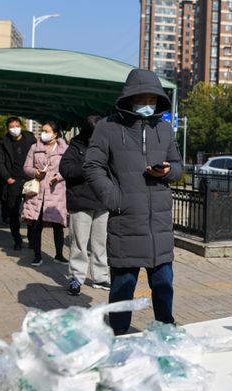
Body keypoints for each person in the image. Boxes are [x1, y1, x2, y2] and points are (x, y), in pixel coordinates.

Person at [84, 68, 183, 335]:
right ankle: (117, 337)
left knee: (164, 287)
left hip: (159, 226)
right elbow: (92, 165)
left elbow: (178, 166)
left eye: (153, 100)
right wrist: (114, 198)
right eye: (143, 99)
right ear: (130, 98)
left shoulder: (164, 128)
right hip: (125, 223)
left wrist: (167, 172)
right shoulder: (108, 127)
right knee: (122, 290)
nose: (148, 104)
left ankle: (166, 334)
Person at [59, 115, 110, 296]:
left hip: (102, 202)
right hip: (80, 202)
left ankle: (101, 277)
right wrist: (88, 167)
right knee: (79, 243)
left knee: (100, 243)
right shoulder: (75, 147)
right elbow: (66, 170)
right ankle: (76, 278)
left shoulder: (107, 148)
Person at [22, 120, 69, 266]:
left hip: (56, 192)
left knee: (58, 225)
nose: (43, 133)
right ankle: (37, 255)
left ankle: (59, 254)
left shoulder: (65, 149)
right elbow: (26, 167)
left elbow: (68, 168)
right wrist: (35, 172)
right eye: (43, 130)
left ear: (55, 134)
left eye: (47, 131)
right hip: (38, 192)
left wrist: (59, 177)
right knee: (36, 224)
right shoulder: (34, 148)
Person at [0, 117, 36, 250]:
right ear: (8, 128)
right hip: (14, 181)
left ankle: (32, 238)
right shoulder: (4, 143)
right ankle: (17, 240)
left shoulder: (30, 139)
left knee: (31, 211)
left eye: (17, 125)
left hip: (30, 180)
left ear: (21, 126)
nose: (15, 129)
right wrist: (8, 178)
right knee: (13, 211)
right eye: (12, 126)